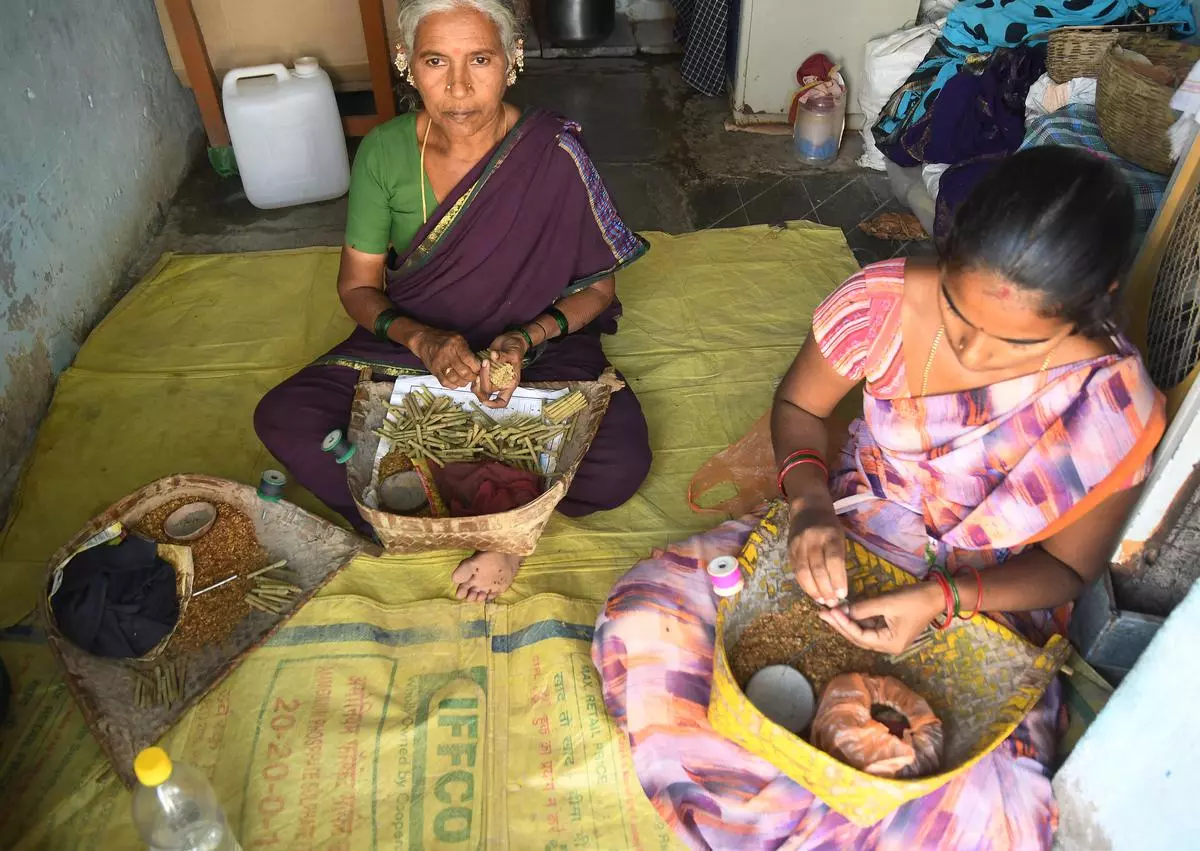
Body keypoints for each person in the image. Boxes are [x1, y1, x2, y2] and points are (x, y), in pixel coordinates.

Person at [592, 147, 1166, 848]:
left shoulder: (1115, 406)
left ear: (1095, 301)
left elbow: (1067, 571)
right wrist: (807, 505)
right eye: (958, 316)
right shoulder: (880, 305)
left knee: (991, 812)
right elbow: (800, 408)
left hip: (980, 602)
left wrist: (939, 599)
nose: (976, 353)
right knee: (648, 618)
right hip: (849, 529)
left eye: (1018, 345)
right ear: (946, 253)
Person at [254, 0, 651, 603]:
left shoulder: (554, 152)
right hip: (416, 349)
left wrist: (525, 338)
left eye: (481, 59)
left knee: (618, 463)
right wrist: (421, 339)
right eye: (436, 60)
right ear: (407, 66)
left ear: (512, 62)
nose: (459, 85)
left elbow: (597, 289)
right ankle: (494, 510)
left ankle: (470, 519)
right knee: (285, 416)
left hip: (538, 358)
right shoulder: (385, 153)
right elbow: (358, 287)